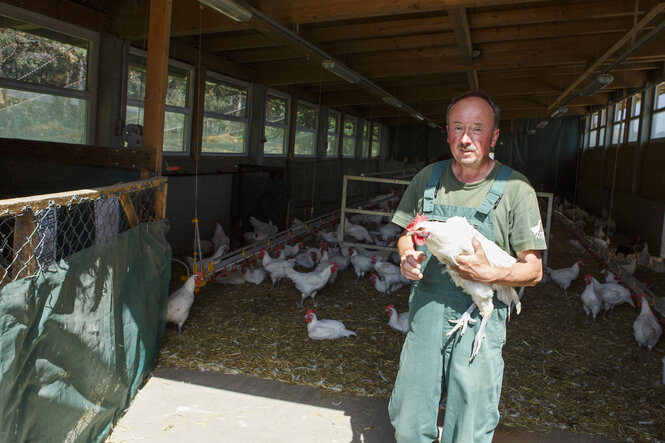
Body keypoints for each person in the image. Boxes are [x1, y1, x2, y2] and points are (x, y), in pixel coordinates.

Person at [388, 90, 547, 443]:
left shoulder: (516, 189)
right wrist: (406, 256)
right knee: (410, 414)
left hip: (481, 314)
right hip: (427, 308)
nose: (465, 138)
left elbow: (533, 271)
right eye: (457, 128)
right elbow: (405, 237)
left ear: (493, 137)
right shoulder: (428, 178)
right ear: (446, 133)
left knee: (470, 416)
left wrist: (490, 274)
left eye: (477, 129)